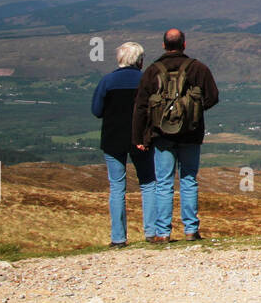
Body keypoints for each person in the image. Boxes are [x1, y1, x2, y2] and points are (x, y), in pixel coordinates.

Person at [132, 28, 219, 243]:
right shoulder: (198, 68)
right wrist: (193, 113)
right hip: (191, 134)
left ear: (163, 45)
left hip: (162, 136)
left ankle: (163, 232)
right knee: (189, 179)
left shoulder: (152, 71)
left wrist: (139, 137)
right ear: (184, 44)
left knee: (164, 183)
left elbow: (141, 107)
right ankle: (190, 229)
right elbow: (212, 97)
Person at [91, 41, 156, 247]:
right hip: (141, 139)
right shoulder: (148, 80)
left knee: (117, 187)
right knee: (148, 183)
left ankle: (118, 238)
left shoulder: (107, 81)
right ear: (139, 60)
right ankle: (152, 233)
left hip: (113, 139)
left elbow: (96, 110)